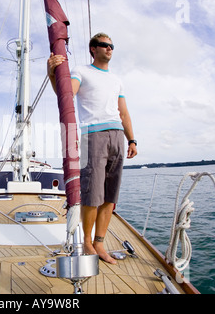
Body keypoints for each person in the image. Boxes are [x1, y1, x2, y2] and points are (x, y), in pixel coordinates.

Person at [47, 33, 137, 264]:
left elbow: (124, 112)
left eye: (112, 46)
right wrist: (51, 73)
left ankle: (99, 242)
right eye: (105, 45)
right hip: (92, 136)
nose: (109, 49)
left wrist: (132, 139)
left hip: (117, 135)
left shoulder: (117, 80)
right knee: (92, 194)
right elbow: (65, 95)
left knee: (109, 195)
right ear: (93, 49)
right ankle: (87, 243)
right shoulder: (81, 71)